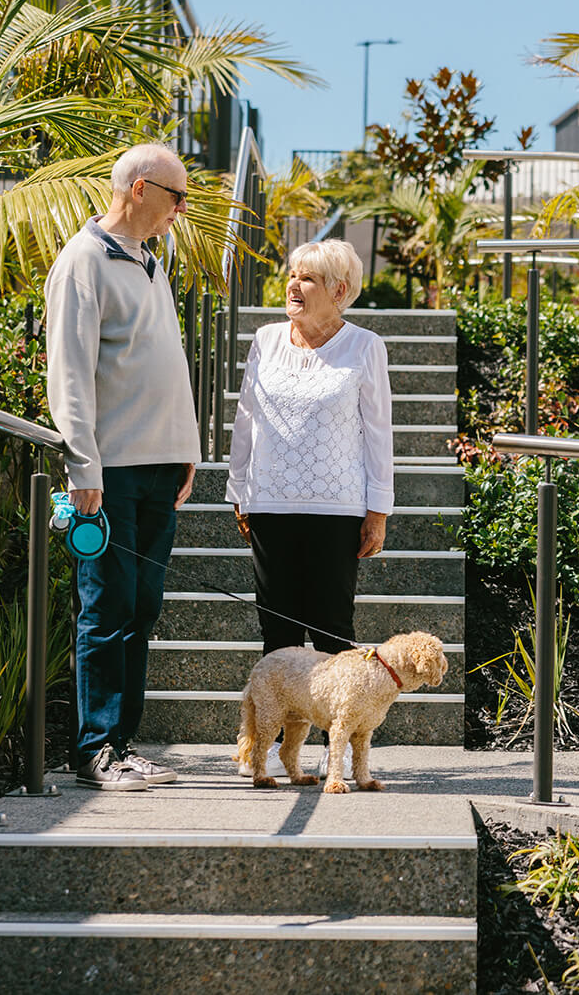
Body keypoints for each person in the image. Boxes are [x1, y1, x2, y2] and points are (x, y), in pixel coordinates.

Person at [44, 142, 201, 791]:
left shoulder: (150, 264)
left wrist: (186, 452)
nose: (181, 209)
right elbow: (70, 372)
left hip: (160, 468)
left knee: (141, 607)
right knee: (105, 608)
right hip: (109, 473)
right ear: (139, 190)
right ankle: (93, 751)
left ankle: (123, 742)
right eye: (176, 196)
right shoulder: (83, 260)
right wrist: (83, 467)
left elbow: (165, 363)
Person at [226, 239, 393, 774]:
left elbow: (378, 435)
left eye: (309, 279)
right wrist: (238, 488)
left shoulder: (365, 346)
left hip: (337, 507)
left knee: (330, 627)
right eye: (292, 275)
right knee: (278, 634)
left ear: (339, 291)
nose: (293, 286)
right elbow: (246, 419)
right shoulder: (266, 340)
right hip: (271, 503)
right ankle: (278, 752)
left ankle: (335, 751)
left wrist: (378, 509)